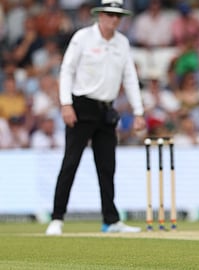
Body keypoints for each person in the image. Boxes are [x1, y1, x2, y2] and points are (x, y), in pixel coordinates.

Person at [45, 0, 146, 235]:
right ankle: (57, 218)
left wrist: (139, 111)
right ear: (100, 15)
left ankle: (110, 220)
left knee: (107, 166)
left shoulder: (122, 42)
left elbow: (130, 77)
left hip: (106, 109)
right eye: (110, 15)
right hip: (81, 106)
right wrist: (66, 104)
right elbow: (67, 70)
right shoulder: (83, 37)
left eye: (117, 16)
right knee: (70, 162)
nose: (114, 20)